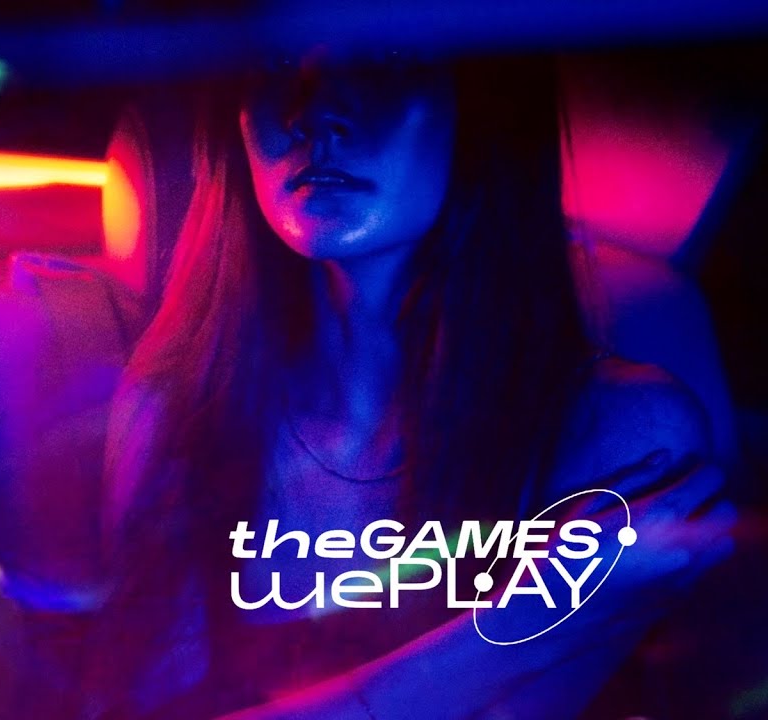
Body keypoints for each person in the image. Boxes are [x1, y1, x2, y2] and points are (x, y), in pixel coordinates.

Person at [84, 47, 735, 719]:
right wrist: (527, 626)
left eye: (385, 59)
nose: (318, 114)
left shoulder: (621, 434)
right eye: (276, 63)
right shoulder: (176, 407)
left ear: (483, 100)